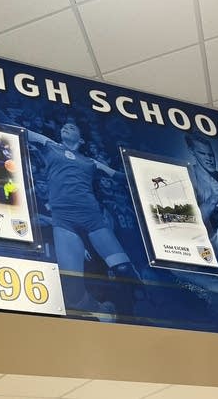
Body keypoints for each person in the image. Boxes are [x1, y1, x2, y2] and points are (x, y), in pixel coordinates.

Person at [29, 121, 142, 315]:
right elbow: (18, 128)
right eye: (63, 126)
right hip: (64, 220)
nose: (66, 127)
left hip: (93, 220)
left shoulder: (91, 163)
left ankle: (133, 310)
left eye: (72, 127)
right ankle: (100, 311)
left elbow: (120, 177)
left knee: (124, 269)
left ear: (81, 140)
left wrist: (148, 174)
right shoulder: (50, 145)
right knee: (71, 288)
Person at [185, 133, 218, 233]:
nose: (209, 159)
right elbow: (188, 225)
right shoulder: (187, 176)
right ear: (192, 151)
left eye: (211, 155)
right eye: (202, 154)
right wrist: (212, 199)